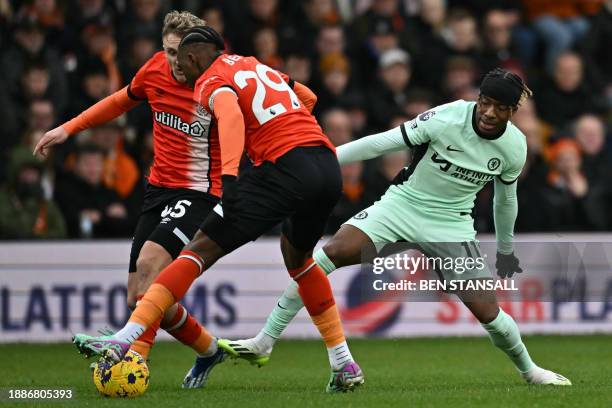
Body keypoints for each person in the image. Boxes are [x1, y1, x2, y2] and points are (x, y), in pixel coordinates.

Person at [226, 68, 572, 386]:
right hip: (402, 207)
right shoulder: (447, 117)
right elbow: (382, 142)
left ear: (513, 112)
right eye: (485, 102)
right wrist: (324, 159)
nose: (489, 112)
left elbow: (504, 201)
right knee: (329, 255)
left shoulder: (514, 147)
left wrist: (506, 251)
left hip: (451, 226)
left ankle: (530, 371)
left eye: (499, 107)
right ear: (477, 98)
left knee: (488, 313)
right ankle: (265, 340)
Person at [71, 25, 363, 393]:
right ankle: (343, 362)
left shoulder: (209, 80)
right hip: (325, 163)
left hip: (282, 169)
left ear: (194, 58)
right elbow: (308, 96)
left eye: (183, 62)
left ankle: (124, 337)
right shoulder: (257, 65)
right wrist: (278, 128)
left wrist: (230, 176)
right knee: (299, 259)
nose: (184, 74)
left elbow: (229, 114)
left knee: (196, 251)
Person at [34, 11, 229, 389]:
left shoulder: (218, 84)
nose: (175, 62)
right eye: (169, 51)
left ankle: (131, 359)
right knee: (140, 296)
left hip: (201, 192)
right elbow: (121, 100)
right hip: (158, 189)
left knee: (150, 264)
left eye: (183, 54)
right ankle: (209, 349)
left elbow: (271, 108)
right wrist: (68, 128)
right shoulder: (154, 69)